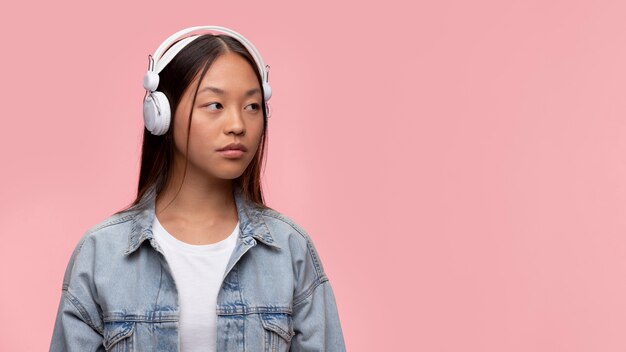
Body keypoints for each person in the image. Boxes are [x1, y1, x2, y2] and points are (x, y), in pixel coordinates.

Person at [49, 26, 346, 352]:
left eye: (252, 106)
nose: (237, 125)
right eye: (215, 105)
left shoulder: (291, 250)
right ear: (160, 115)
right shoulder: (101, 255)